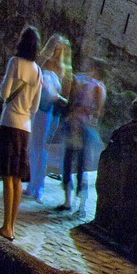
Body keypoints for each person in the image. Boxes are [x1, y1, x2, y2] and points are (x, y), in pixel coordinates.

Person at [0, 26, 42, 241]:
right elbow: (35, 106)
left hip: (10, 123)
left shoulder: (15, 63)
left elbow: (5, 93)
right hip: (25, 128)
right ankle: (12, 225)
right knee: (17, 179)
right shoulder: (38, 71)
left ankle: (6, 226)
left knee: (7, 176)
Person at [27, 33, 72, 202]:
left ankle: (39, 186)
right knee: (33, 146)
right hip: (36, 107)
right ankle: (31, 183)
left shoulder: (64, 71)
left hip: (51, 111)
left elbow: (66, 99)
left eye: (60, 49)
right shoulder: (43, 62)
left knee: (42, 147)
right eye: (54, 47)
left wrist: (55, 95)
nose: (56, 51)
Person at [60, 57, 106, 216]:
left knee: (79, 164)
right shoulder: (87, 84)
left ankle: (80, 203)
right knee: (70, 161)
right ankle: (69, 200)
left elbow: (96, 112)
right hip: (76, 124)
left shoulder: (97, 87)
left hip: (82, 127)